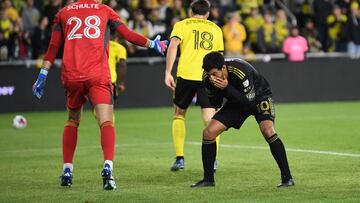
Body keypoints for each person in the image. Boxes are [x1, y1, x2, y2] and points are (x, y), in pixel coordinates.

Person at [32, 0, 167, 190]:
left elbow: (53, 47)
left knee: (72, 120)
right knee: (106, 122)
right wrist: (153, 43)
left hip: (72, 75)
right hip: (97, 74)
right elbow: (128, 35)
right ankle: (108, 168)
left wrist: (43, 73)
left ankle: (67, 170)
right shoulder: (104, 10)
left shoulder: (63, 13)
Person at [191, 51, 294, 188]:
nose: (212, 77)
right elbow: (215, 104)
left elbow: (249, 104)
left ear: (223, 68)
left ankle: (287, 178)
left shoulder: (240, 70)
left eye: (214, 74)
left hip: (259, 96)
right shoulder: (207, 78)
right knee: (208, 133)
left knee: (267, 130)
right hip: (235, 99)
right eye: (209, 75)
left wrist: (226, 88)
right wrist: (217, 89)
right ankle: (208, 180)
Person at [165, 0, 224, 172]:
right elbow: (219, 57)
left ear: (191, 11)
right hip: (208, 76)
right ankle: (212, 160)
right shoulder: (215, 29)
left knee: (179, 114)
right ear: (207, 13)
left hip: (186, 75)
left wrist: (168, 72)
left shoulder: (181, 25)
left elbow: (173, 46)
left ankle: (179, 158)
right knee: (210, 119)